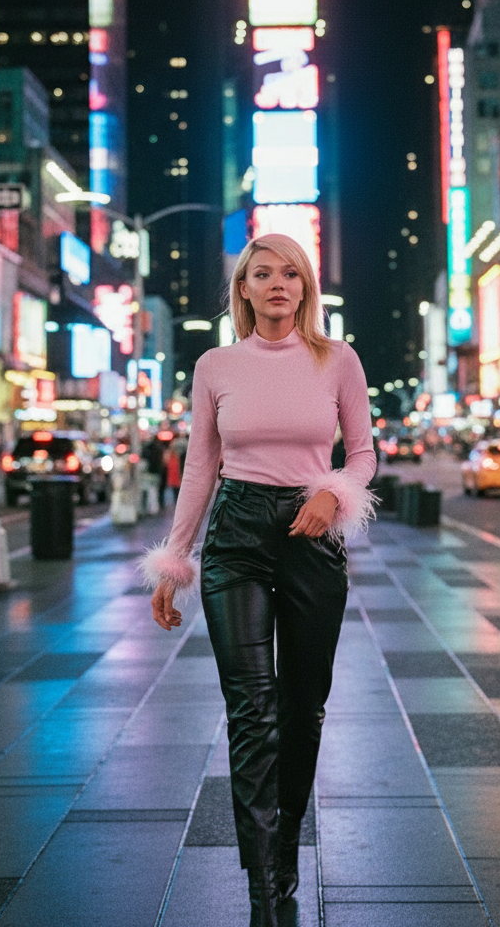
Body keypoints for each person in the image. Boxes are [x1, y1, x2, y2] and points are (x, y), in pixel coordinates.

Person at [139, 234, 376, 927]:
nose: (278, 284)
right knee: (252, 714)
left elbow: (362, 454)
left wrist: (333, 493)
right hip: (237, 537)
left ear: (306, 289)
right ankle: (262, 889)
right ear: (243, 289)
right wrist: (175, 563)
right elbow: (199, 467)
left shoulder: (338, 361)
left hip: (311, 532)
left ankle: (286, 850)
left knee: (302, 713)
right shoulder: (215, 366)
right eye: (263, 274)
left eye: (291, 274)